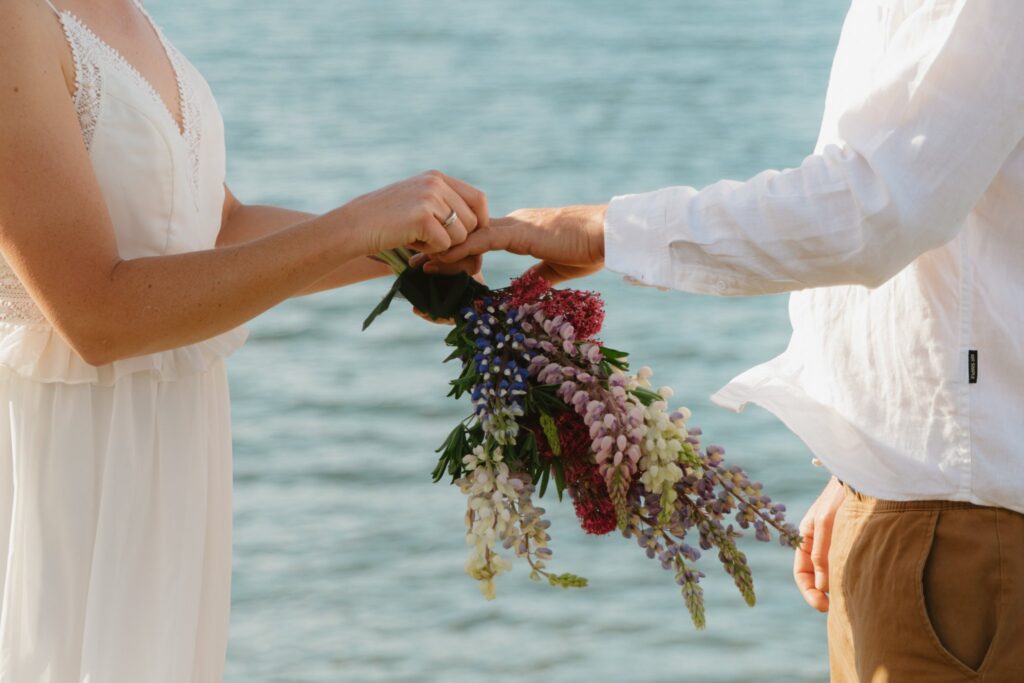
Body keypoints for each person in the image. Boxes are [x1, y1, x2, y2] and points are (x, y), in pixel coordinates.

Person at [434, 1, 1024, 680]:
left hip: (970, 542)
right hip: (941, 516)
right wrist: (868, 460)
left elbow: (877, 206)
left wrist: (606, 230)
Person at [0, 0, 483, 680]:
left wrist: (402, 252)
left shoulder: (128, 14)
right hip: (81, 470)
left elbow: (217, 226)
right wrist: (352, 225)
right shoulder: (13, 21)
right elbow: (93, 313)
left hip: (173, 462)